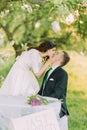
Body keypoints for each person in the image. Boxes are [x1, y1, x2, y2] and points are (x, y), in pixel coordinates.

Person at [38, 51, 70, 130]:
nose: (55, 53)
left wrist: (43, 100)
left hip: (57, 110)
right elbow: (43, 89)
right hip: (45, 108)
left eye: (58, 53)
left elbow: (58, 92)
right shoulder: (48, 71)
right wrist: (35, 98)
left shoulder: (63, 74)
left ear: (60, 59)